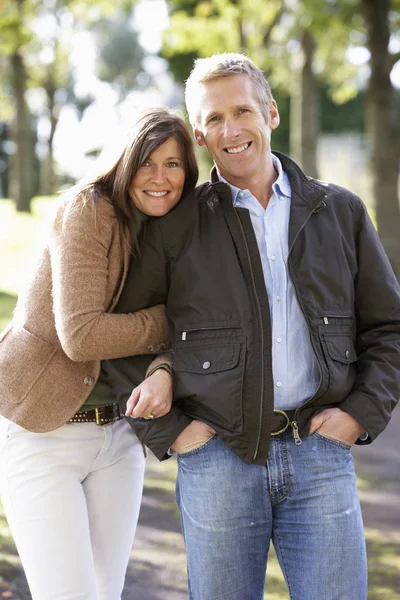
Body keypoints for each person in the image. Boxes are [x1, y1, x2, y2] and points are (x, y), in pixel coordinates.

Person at [105, 54, 400, 600]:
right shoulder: (176, 226)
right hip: (217, 458)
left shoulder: (340, 212)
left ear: (271, 112)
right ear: (199, 133)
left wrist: (360, 415)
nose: (231, 130)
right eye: (214, 119)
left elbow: (389, 327)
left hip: (321, 454)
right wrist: (173, 435)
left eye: (242, 111)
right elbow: (118, 332)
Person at [0, 106, 197, 600]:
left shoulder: (175, 229)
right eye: (147, 163)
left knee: (105, 593)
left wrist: (167, 359)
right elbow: (82, 335)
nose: (160, 178)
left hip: (118, 436)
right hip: (43, 431)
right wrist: (177, 321)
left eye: (173, 164)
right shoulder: (89, 208)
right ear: (125, 162)